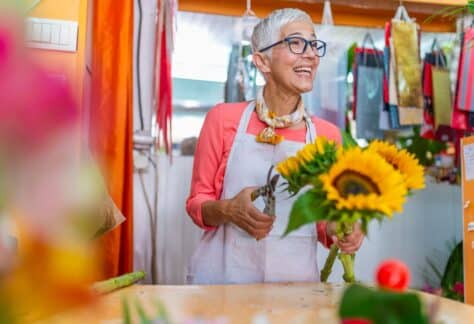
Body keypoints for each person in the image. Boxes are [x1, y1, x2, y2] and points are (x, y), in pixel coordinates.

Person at [186, 8, 364, 284]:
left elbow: (321, 223)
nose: (311, 54)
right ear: (262, 61)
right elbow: (197, 204)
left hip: (296, 290)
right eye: (296, 43)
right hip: (224, 284)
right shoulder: (222, 119)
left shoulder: (327, 136)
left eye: (314, 44)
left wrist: (340, 229)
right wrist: (228, 209)